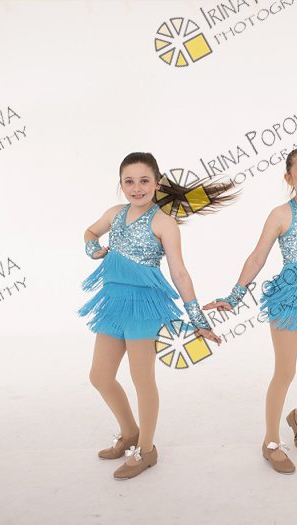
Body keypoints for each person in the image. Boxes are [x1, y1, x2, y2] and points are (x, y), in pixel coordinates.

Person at [80, 152, 228, 480]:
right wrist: (93, 249)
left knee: (141, 378)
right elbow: (90, 232)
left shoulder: (163, 223)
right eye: (129, 181)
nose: (137, 188)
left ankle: (146, 450)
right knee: (100, 376)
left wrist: (198, 320)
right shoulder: (115, 214)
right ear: (121, 184)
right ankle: (130, 433)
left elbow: (180, 273)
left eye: (144, 181)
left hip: (145, 308)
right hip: (113, 303)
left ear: (157, 184)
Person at [204, 147, 297, 475]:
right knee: (285, 372)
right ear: (289, 177)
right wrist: (235, 296)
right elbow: (258, 256)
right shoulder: (281, 214)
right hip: (287, 301)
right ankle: (270, 442)